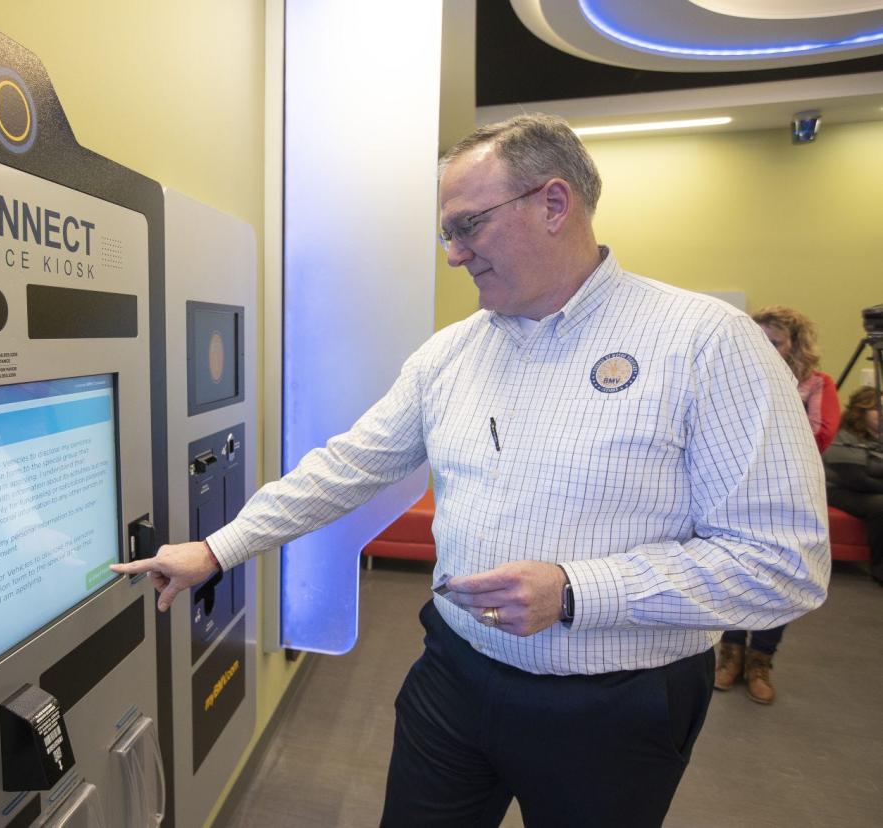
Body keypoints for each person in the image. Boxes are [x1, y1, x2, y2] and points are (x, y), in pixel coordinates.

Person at [112, 114, 829, 827]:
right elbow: (346, 467)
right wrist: (217, 549)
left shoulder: (706, 343)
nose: (453, 254)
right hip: (454, 675)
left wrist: (578, 591)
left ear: (553, 204)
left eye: (469, 226)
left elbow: (783, 563)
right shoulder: (449, 356)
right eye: (445, 233)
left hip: (616, 708)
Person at [714, 306, 840, 704]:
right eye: (759, 339)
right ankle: (729, 655)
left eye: (774, 342)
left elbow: (820, 434)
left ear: (794, 346)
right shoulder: (734, 378)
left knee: (776, 578)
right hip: (733, 489)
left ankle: (760, 662)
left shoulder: (816, 385)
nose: (765, 348)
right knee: (730, 572)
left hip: (788, 492)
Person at [824, 386, 883, 585]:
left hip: (866, 488)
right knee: (880, 505)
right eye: (877, 408)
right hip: (839, 489)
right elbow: (855, 478)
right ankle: (879, 568)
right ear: (862, 411)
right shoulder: (845, 435)